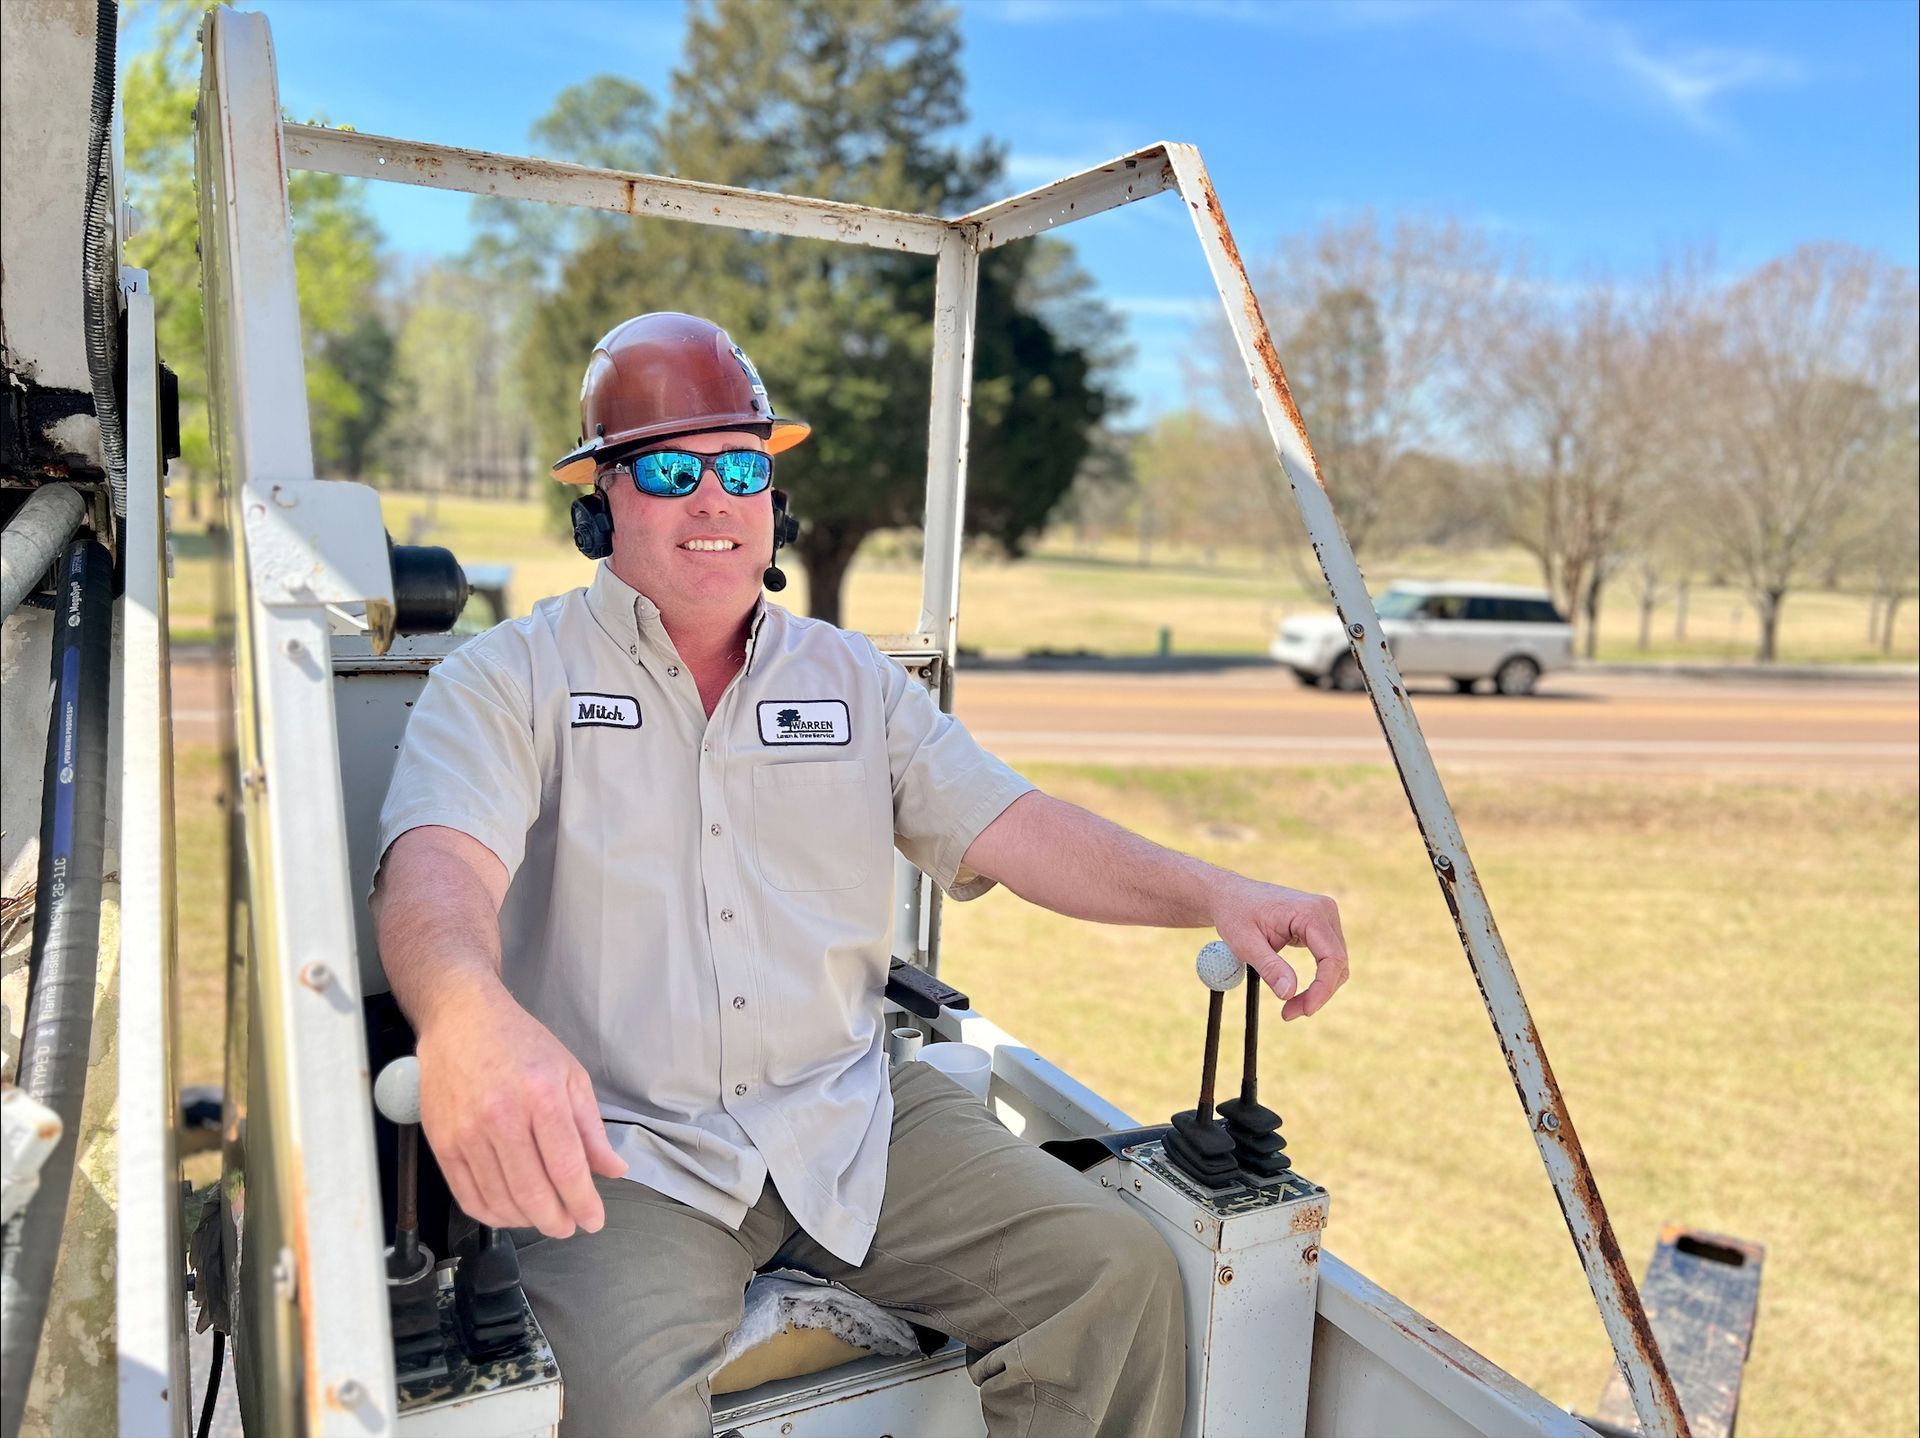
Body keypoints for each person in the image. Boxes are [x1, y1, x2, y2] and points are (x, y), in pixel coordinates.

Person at [372, 312, 1350, 1436]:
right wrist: (464, 1015)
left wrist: (1215, 890)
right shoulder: (506, 679)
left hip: (854, 1115)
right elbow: (436, 868)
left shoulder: (850, 680)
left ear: (773, 499)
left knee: (1112, 1276)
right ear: (598, 503)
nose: (713, 500)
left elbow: (1015, 825)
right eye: (669, 468)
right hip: (625, 1152)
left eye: (742, 466)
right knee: (618, 1413)